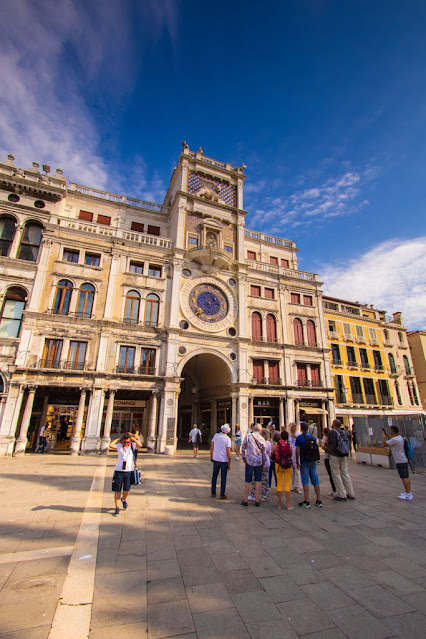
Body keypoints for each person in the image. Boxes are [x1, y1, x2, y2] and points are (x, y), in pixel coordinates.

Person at [110, 432, 143, 516]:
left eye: (127, 442)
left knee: (126, 490)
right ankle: (117, 508)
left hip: (129, 471)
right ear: (122, 442)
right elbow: (111, 445)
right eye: (124, 442)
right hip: (119, 471)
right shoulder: (119, 446)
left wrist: (133, 439)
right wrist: (117, 440)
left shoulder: (132, 446)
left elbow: (140, 445)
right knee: (117, 490)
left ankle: (123, 499)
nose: (126, 444)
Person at [295, 421, 322, 508]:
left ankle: (307, 500)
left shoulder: (300, 438)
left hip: (304, 460)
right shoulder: (313, 437)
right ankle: (319, 499)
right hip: (312, 460)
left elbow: (297, 450)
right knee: (315, 479)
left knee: (305, 480)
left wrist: (297, 461)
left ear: (302, 429)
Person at [382, 426, 413, 500]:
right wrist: (387, 435)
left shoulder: (395, 439)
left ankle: (408, 494)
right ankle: (408, 492)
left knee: (404, 477)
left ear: (392, 431)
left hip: (400, 461)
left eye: (390, 430)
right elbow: (392, 440)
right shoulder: (399, 438)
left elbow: (384, 444)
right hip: (404, 459)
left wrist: (383, 436)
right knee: (406, 476)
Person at [327, 419, 355, 502]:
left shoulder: (332, 432)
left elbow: (330, 443)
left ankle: (342, 494)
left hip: (335, 455)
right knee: (345, 473)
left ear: (334, 424)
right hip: (343, 454)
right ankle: (351, 493)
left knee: (336, 474)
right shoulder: (343, 432)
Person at [241, 423, 267, 507]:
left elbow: (243, 446)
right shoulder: (262, 439)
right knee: (258, 480)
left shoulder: (248, 436)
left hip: (250, 461)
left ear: (253, 428)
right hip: (258, 462)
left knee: (247, 480)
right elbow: (264, 452)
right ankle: (257, 499)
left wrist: (243, 457)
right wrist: (263, 462)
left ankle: (245, 499)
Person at [210, 424, 232, 499]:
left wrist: (211, 456)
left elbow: (212, 447)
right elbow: (228, 452)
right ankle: (222, 494)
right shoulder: (227, 439)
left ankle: (213, 492)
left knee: (214, 477)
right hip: (224, 461)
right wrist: (229, 463)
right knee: (223, 478)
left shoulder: (216, 436)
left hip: (216, 459)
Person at [249, 428, 271, 502]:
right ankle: (265, 495)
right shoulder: (268, 443)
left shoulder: (259, 441)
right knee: (265, 480)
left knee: (255, 478)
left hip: (258, 462)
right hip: (265, 463)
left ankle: (253, 494)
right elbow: (269, 453)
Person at [275, 429, 294, 510]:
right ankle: (288, 504)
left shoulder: (277, 444)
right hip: (287, 465)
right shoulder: (289, 445)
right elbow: (291, 454)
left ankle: (279, 504)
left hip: (278, 465)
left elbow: (275, 453)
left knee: (279, 484)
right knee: (287, 484)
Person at [321, 427, 336, 496]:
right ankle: (339, 489)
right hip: (334, 456)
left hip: (327, 457)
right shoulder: (332, 438)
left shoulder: (325, 439)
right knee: (336, 473)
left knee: (330, 473)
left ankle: (334, 489)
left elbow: (323, 446)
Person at [289, 423, 303, 493]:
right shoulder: (289, 435)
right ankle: (294, 485)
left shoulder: (298, 435)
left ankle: (299, 486)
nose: (294, 426)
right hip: (291, 454)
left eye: (295, 425)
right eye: (293, 425)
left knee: (297, 470)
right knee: (292, 470)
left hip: (297, 453)